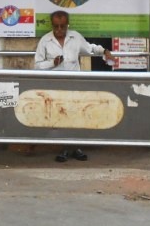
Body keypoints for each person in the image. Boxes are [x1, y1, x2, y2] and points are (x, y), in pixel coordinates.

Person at [34, 10, 113, 163]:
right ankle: (64, 148)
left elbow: (90, 48)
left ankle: (76, 148)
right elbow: (37, 65)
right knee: (61, 118)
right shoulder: (45, 41)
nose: (59, 30)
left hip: (74, 84)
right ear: (52, 25)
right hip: (55, 86)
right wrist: (52, 63)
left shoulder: (75, 37)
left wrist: (105, 51)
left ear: (67, 25)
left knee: (76, 116)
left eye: (62, 26)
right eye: (56, 26)